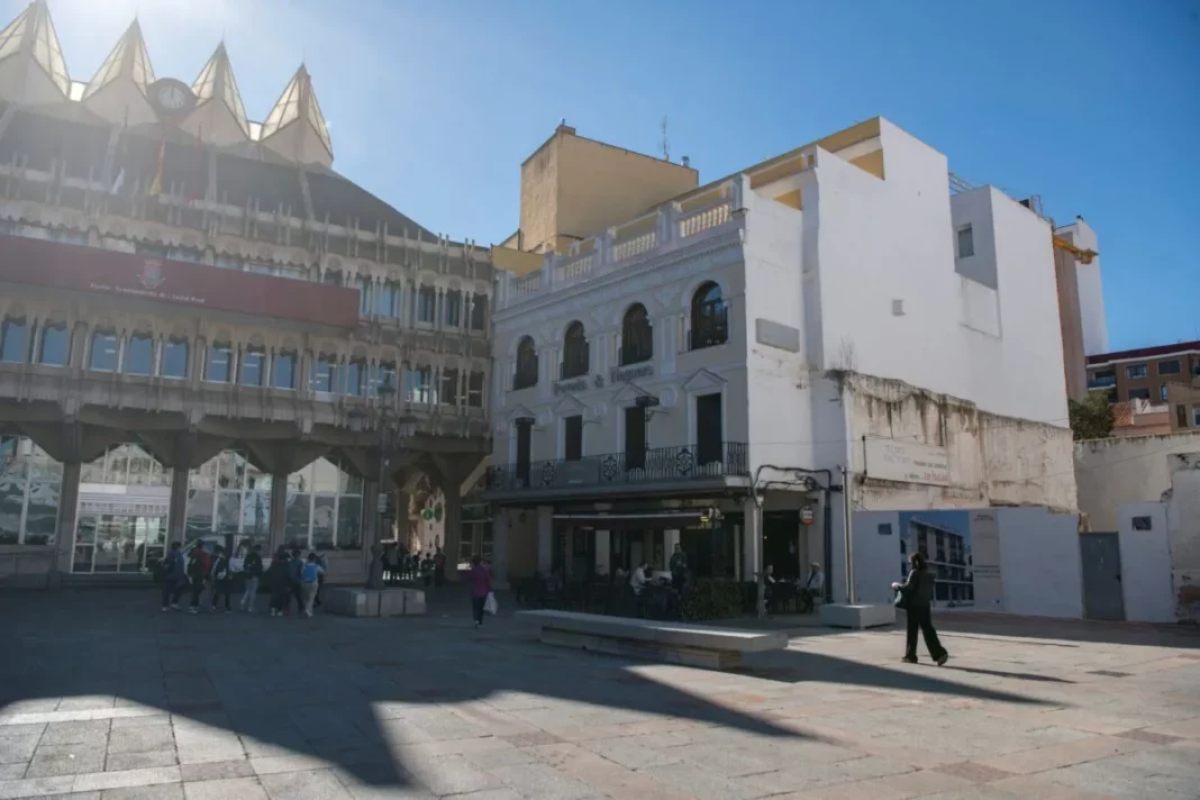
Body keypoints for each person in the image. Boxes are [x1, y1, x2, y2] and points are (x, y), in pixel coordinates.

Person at [892, 551, 949, 666]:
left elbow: (909, 587)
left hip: (914, 606)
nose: (909, 565)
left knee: (912, 631)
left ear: (913, 562)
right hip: (925, 605)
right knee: (928, 630)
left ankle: (910, 656)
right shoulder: (927, 574)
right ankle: (939, 653)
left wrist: (897, 586)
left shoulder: (914, 573)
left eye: (909, 562)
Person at [186, 541, 212, 614]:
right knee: (197, 591)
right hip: (200, 575)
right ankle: (193, 606)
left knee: (196, 591)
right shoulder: (202, 555)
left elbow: (190, 565)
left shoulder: (193, 554)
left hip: (195, 575)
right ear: (202, 546)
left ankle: (194, 606)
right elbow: (207, 565)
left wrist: (189, 574)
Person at [467, 555, 492, 629]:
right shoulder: (484, 570)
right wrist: (489, 589)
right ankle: (480, 621)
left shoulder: (473, 570)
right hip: (483, 592)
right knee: (481, 608)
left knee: (475, 607)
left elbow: (469, 578)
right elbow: (488, 580)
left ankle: (476, 620)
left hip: (475, 592)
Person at [160, 542, 187, 611]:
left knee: (176, 589)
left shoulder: (175, 554)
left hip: (174, 575)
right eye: (180, 547)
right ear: (177, 547)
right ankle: (168, 605)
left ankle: (169, 604)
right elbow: (171, 565)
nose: (181, 548)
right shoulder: (174, 554)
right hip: (173, 575)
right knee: (168, 590)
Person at [266, 547, 291, 617]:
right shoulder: (285, 566)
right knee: (281, 597)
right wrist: (288, 585)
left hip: (275, 583)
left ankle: (274, 610)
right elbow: (287, 576)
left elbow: (269, 573)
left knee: (275, 596)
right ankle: (280, 610)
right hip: (282, 584)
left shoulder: (274, 565)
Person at [299, 552, 324, 617]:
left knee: (305, 598)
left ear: (308, 558)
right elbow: (323, 572)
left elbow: (301, 574)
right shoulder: (317, 566)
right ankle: (308, 610)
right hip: (313, 583)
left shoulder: (304, 566)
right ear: (314, 559)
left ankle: (308, 611)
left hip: (304, 583)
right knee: (311, 598)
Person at [240, 543, 264, 612]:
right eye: (260, 550)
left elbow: (244, 566)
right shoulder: (258, 558)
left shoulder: (248, 556)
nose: (261, 552)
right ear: (258, 550)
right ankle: (250, 607)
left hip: (247, 576)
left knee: (247, 590)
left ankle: (243, 601)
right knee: (253, 592)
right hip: (255, 577)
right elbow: (259, 568)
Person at [209, 545, 233, 612]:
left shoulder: (218, 559)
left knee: (218, 592)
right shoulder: (228, 559)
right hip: (226, 578)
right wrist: (230, 575)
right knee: (227, 593)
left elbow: (214, 569)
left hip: (219, 578)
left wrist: (213, 576)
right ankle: (227, 607)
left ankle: (214, 605)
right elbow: (231, 569)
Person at [286, 547, 304, 616]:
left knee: (289, 595)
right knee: (298, 595)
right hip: (297, 581)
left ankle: (287, 609)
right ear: (298, 555)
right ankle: (301, 608)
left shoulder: (290, 562)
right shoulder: (300, 562)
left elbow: (288, 572)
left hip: (290, 580)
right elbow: (301, 572)